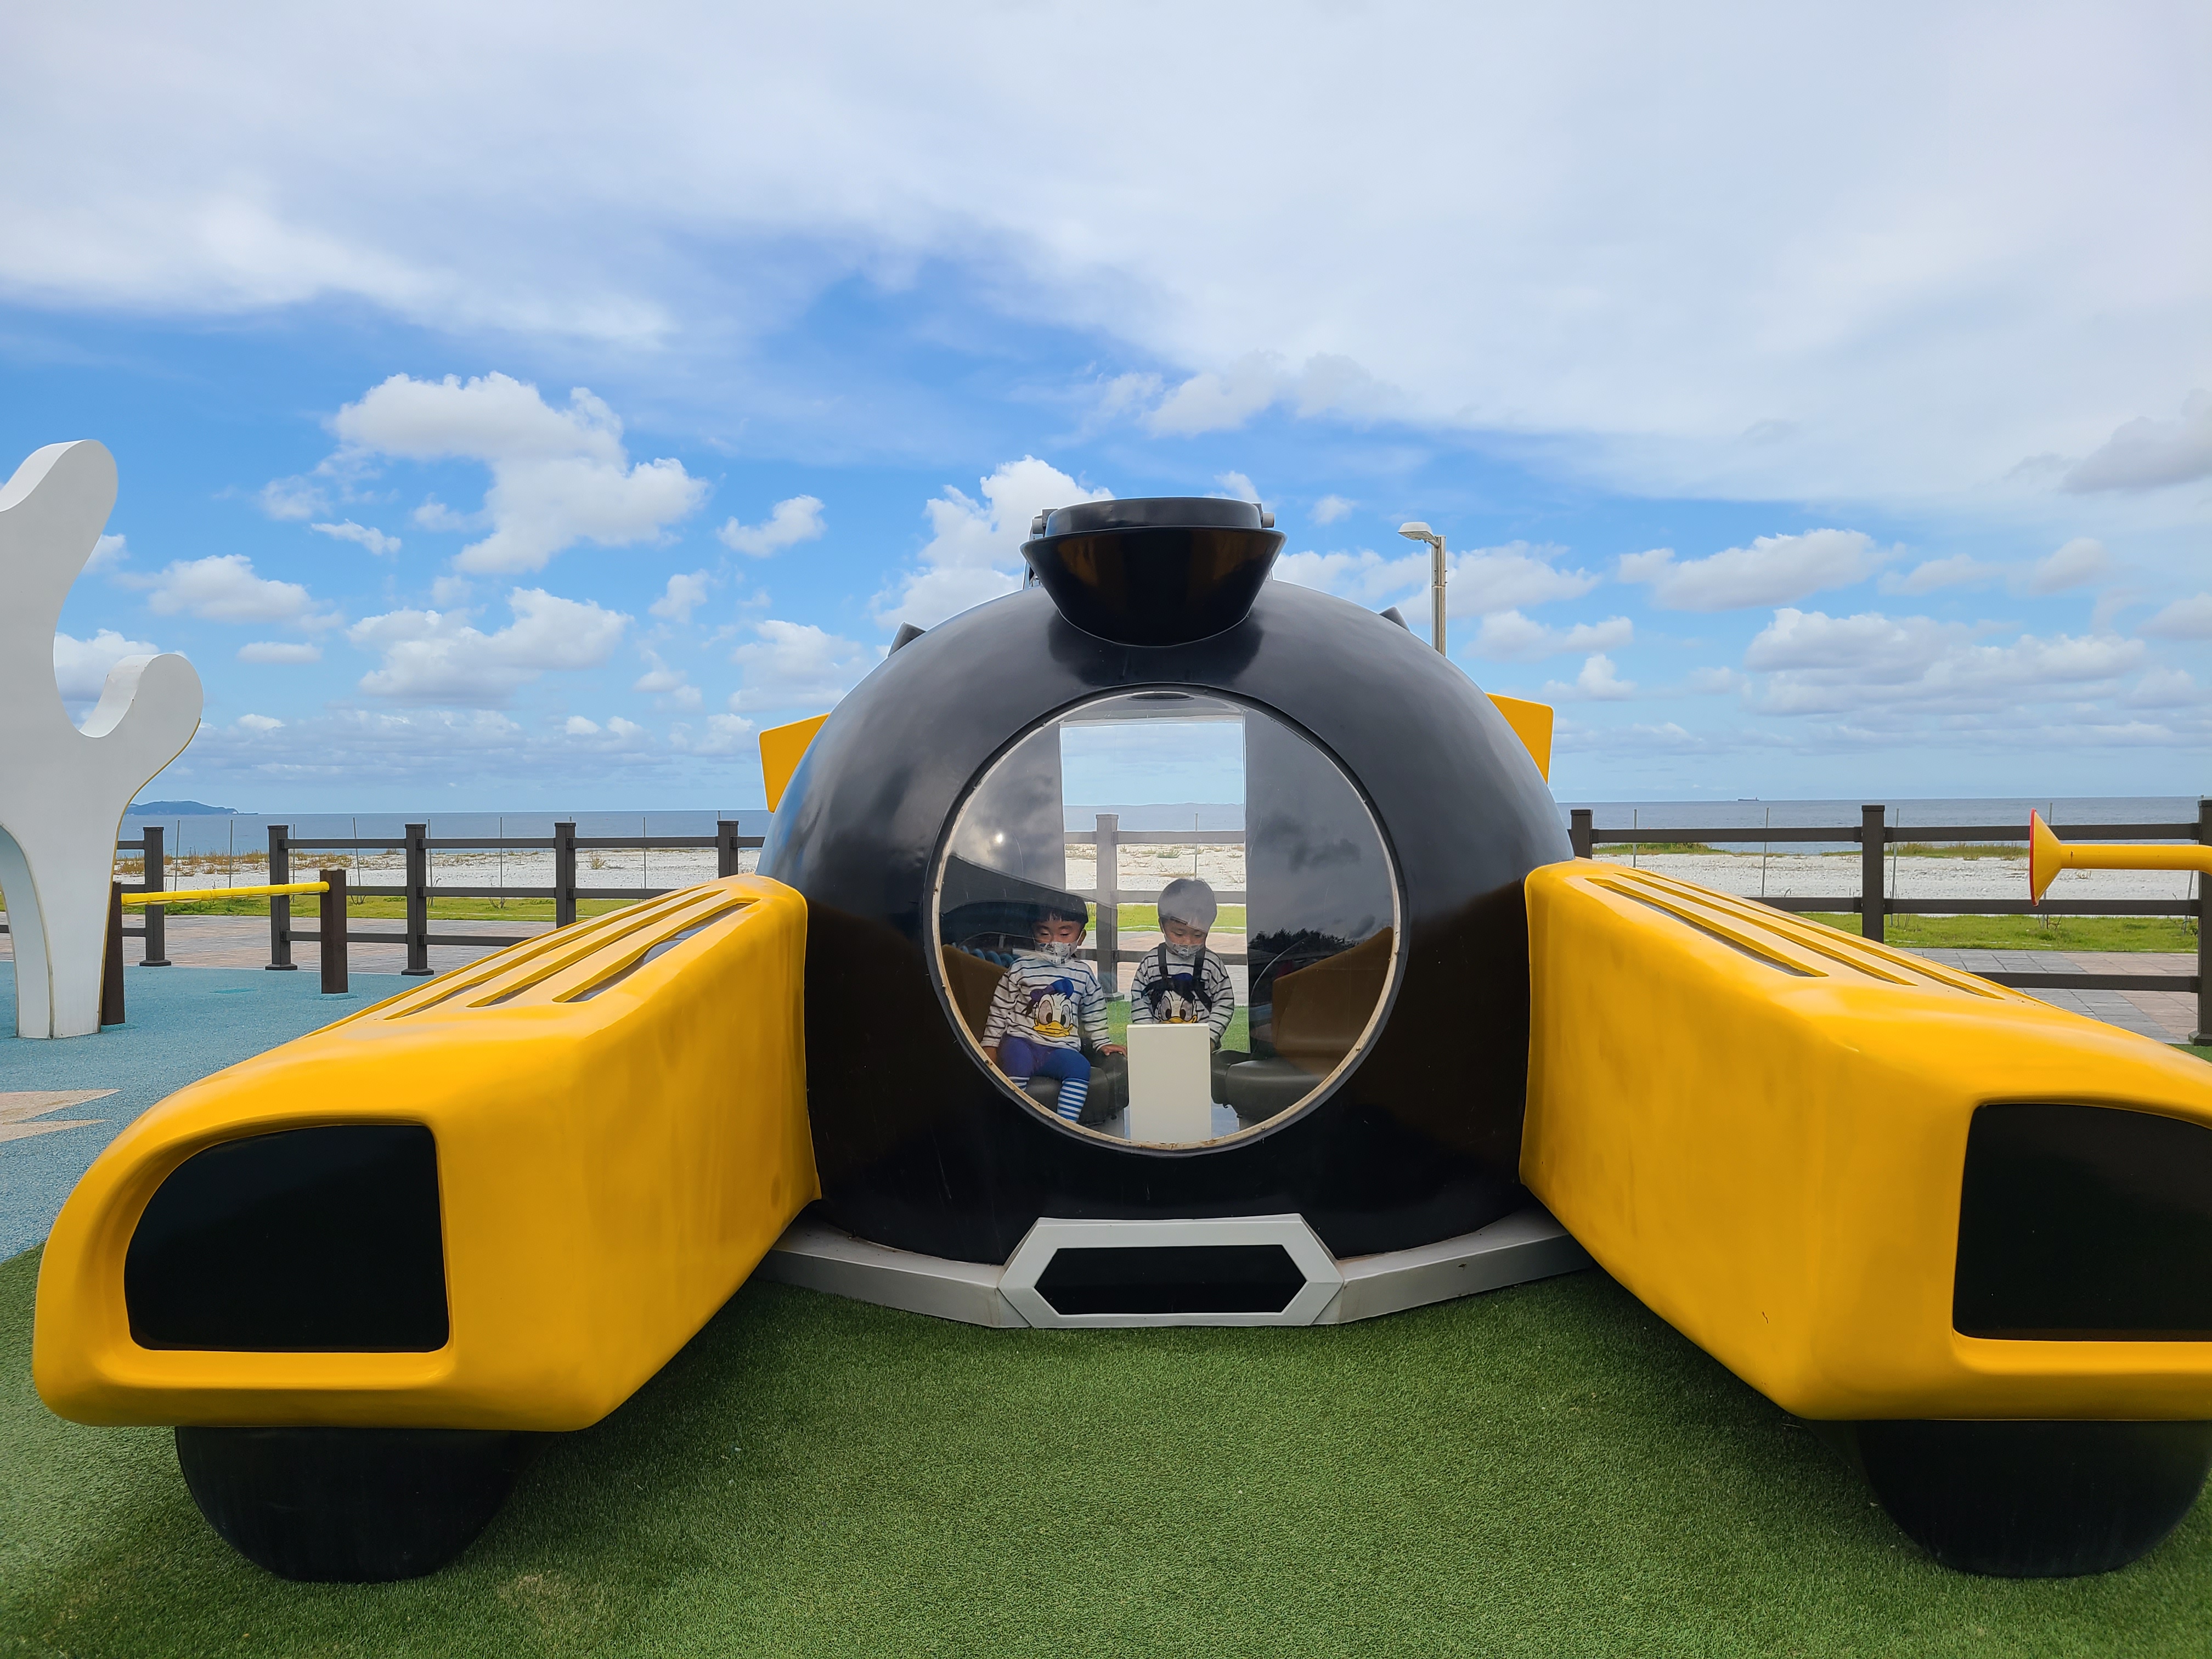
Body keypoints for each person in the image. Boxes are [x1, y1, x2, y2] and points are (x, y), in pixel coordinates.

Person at [983, 904, 1123, 1121]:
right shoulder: (1021, 968)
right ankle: (1015, 1120)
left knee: (1079, 1067)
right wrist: (990, 1045)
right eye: (1044, 933)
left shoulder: (1083, 974)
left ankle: (1066, 1124)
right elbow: (1000, 1008)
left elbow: (1094, 1010)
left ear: (1081, 937)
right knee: (1015, 1061)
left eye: (1064, 934)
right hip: (1022, 1041)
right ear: (1033, 934)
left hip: (1061, 1048)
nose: (1054, 941)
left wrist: (1102, 1042)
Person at [1127, 877, 1235, 1045]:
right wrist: (1147, 1036)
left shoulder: (1211, 964)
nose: (1188, 942)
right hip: (1158, 1045)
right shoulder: (1151, 963)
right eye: (1179, 934)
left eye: (1198, 935)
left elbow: (1224, 1002)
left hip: (1200, 1047)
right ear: (1162, 926)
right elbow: (1140, 1002)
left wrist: (1210, 1038)